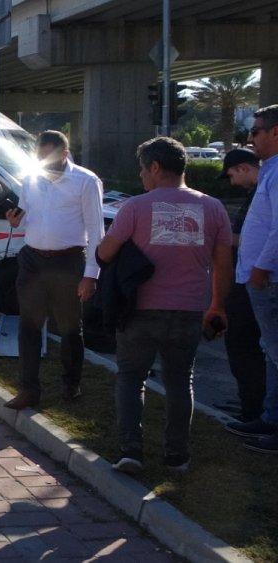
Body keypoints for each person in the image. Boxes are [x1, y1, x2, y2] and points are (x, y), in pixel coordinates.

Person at [98, 137, 231, 473]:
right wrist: (217, 306)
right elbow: (223, 264)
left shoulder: (135, 207)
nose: (142, 177)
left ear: (155, 168)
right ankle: (177, 456)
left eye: (143, 170)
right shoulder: (214, 208)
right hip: (188, 310)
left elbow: (105, 253)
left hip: (140, 310)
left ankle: (131, 451)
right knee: (179, 381)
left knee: (130, 377)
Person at [3, 130, 104, 409]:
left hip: (68, 262)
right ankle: (28, 390)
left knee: (70, 328)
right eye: (40, 158)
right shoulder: (31, 177)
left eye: (50, 157)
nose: (44, 164)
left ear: (65, 154)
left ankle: (71, 384)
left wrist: (91, 275)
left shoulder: (85, 181)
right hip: (33, 261)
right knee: (29, 325)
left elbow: (97, 230)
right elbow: (24, 213)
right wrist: (15, 220)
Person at [231, 104, 278, 453]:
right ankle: (269, 418)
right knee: (272, 352)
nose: (251, 137)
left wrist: (261, 268)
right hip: (262, 277)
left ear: (275, 132)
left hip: (269, 279)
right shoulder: (271, 171)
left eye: (257, 130)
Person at [219, 148, 266, 424]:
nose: (232, 182)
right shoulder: (257, 193)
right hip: (247, 277)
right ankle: (251, 402)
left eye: (232, 175)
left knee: (243, 344)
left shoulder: (264, 192)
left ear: (246, 168)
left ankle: (254, 409)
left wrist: (223, 237)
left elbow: (254, 239)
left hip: (252, 281)